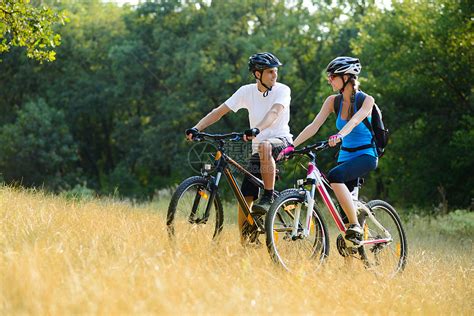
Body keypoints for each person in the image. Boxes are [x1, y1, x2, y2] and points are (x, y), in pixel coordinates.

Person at [185, 52, 293, 240]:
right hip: (258, 149)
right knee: (246, 197)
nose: (275, 75)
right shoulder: (246, 91)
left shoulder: (283, 90)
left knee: (265, 146)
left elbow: (275, 112)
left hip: (281, 142)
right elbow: (219, 112)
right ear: (257, 74)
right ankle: (246, 242)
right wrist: (197, 128)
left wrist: (257, 129)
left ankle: (267, 197)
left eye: (275, 71)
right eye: (270, 72)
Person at [279, 56, 378, 243]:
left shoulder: (366, 100)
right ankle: (352, 244)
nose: (329, 80)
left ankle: (356, 225)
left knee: (334, 176)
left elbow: (356, 120)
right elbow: (314, 125)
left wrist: (340, 135)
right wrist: (292, 146)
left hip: (366, 154)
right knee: (344, 215)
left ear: (347, 77)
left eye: (332, 76)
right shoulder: (333, 101)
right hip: (345, 156)